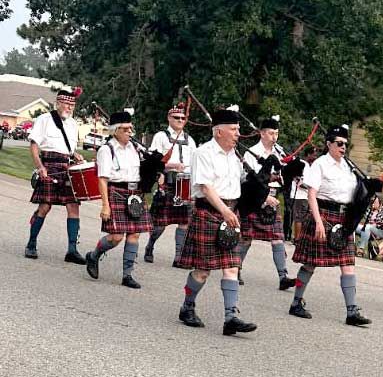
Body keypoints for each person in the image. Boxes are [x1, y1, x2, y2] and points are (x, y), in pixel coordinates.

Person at [174, 106, 257, 336]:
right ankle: (187, 306)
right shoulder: (203, 153)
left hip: (231, 213)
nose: (238, 133)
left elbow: (240, 184)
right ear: (218, 131)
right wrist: (225, 212)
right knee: (202, 271)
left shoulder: (235, 156)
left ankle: (231, 317)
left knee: (232, 266)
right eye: (233, 129)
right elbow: (205, 187)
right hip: (210, 213)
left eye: (238, 129)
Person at [289, 124, 371, 326]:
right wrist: (317, 221)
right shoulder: (320, 164)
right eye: (339, 143)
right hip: (323, 214)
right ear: (329, 144)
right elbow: (311, 194)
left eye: (345, 144)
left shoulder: (349, 167)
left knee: (348, 264)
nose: (343, 147)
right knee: (310, 263)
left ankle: (352, 311)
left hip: (343, 219)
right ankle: (296, 302)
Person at [84, 109, 153, 288]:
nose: (130, 132)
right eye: (125, 129)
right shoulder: (107, 150)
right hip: (117, 192)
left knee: (134, 234)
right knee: (115, 237)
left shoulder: (136, 148)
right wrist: (105, 206)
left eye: (131, 128)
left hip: (135, 194)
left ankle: (127, 275)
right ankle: (94, 255)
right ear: (115, 130)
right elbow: (102, 179)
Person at [26, 86, 86, 263]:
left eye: (72, 106)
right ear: (57, 103)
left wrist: (75, 155)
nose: (69, 108)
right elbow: (34, 145)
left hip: (67, 168)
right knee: (45, 206)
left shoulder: (74, 124)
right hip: (49, 165)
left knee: (73, 206)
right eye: (66, 105)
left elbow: (69, 149)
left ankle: (72, 250)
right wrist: (40, 167)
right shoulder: (44, 119)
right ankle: (31, 243)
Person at [236, 115, 296, 291]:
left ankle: (283, 276)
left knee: (277, 239)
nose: (274, 137)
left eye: (276, 133)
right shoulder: (252, 152)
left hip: (273, 197)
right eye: (271, 133)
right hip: (255, 198)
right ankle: (236, 269)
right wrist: (263, 198)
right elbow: (249, 179)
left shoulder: (279, 153)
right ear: (262, 134)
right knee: (246, 239)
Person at [143, 103, 197, 265]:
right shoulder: (161, 136)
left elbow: (195, 162)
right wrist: (172, 166)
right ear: (169, 118)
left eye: (183, 118)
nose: (180, 120)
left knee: (184, 221)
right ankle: (150, 246)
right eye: (177, 118)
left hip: (185, 184)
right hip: (167, 180)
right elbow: (153, 161)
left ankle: (178, 257)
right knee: (161, 222)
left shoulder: (190, 140)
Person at [288, 145, 318, 242]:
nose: (315, 157)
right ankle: (297, 239)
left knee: (304, 219)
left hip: (306, 197)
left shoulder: (309, 166)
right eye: (314, 155)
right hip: (299, 196)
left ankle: (301, 238)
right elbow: (300, 183)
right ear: (308, 154)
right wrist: (312, 189)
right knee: (299, 218)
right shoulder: (301, 164)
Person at [355, 193, 383, 258]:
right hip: (367, 229)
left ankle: (361, 249)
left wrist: (373, 223)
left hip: (379, 232)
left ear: (381, 203)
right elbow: (363, 216)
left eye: (375, 202)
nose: (373, 203)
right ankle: (352, 247)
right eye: (373, 202)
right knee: (353, 226)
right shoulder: (370, 210)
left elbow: (382, 224)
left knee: (368, 227)